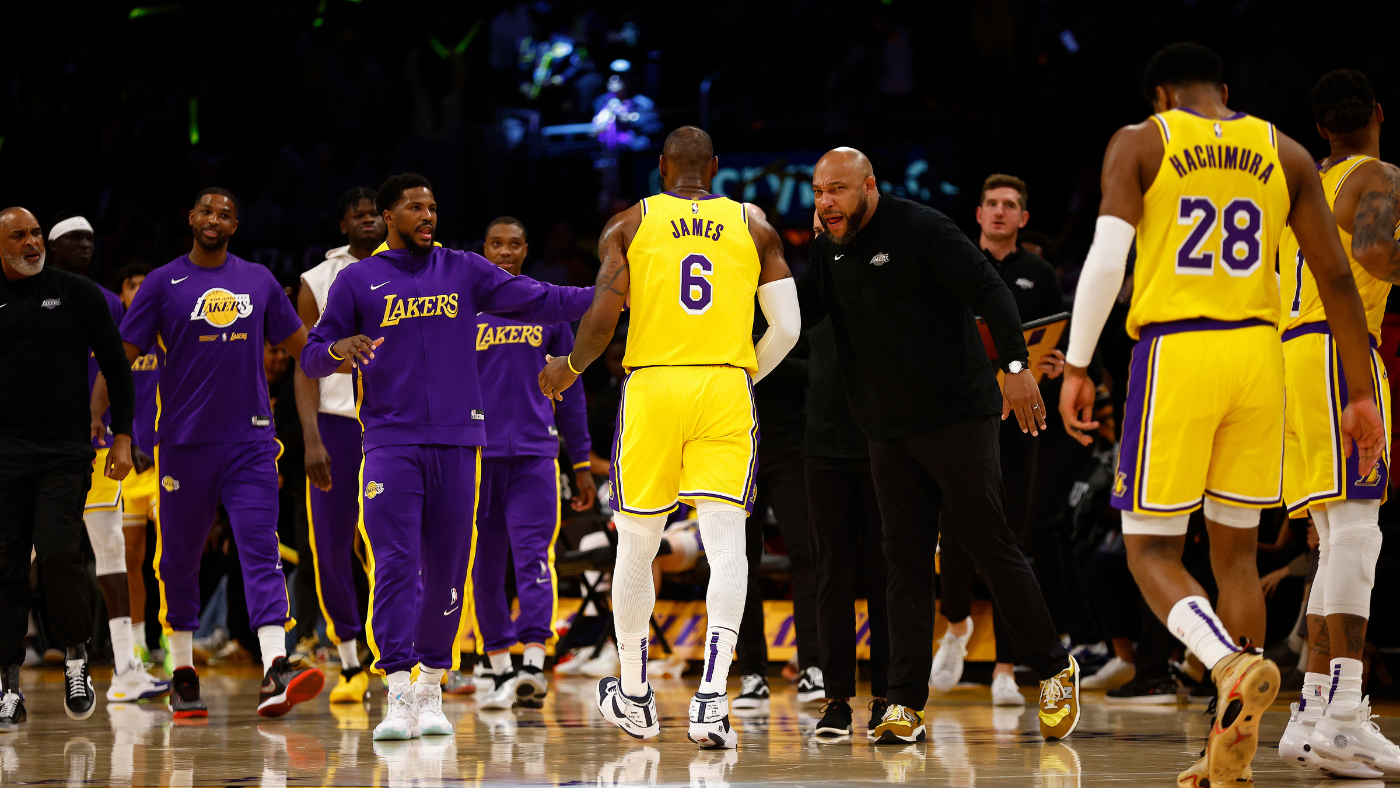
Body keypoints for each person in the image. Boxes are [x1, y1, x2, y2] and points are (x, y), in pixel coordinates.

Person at [1058, 44, 1385, 786]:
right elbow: (1337, 276)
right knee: (1235, 554)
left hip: (1179, 350)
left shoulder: (1145, 138)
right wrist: (1360, 392)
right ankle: (1224, 739)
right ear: (1227, 93)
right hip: (1260, 357)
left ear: (1162, 95)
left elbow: (1107, 262)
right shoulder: (1285, 149)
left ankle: (1229, 663)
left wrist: (1077, 365)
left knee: (1149, 551)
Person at [799, 147, 1081, 745]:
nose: (826, 204)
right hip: (886, 429)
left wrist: (1013, 364)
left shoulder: (922, 228)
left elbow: (988, 289)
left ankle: (1056, 668)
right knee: (902, 561)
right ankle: (903, 702)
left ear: (869, 187)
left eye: (838, 191)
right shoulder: (827, 248)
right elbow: (800, 313)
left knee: (988, 543)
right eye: (819, 191)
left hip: (957, 417)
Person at [301, 173, 592, 742]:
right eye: (414, 207)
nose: (427, 215)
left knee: (449, 569)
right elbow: (311, 356)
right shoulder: (357, 281)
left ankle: (432, 686)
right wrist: (339, 348)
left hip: (462, 442)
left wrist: (612, 291)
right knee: (393, 564)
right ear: (389, 216)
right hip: (389, 442)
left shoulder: (464, 269)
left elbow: (544, 301)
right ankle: (397, 691)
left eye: (432, 206)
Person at [538, 126, 801, 749]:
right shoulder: (755, 225)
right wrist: (739, 371)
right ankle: (712, 699)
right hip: (724, 389)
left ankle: (634, 692)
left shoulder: (628, 224)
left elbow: (602, 318)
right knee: (727, 541)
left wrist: (568, 367)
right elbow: (787, 327)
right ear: (714, 167)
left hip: (654, 387)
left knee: (636, 538)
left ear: (661, 168)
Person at [119, 188, 324, 720]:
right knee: (178, 561)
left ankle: (275, 666)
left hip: (252, 441)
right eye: (207, 211)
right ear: (191, 218)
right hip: (183, 444)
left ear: (236, 225)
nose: (215, 219)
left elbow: (304, 349)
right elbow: (122, 359)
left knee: (261, 549)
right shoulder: (163, 282)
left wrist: (345, 350)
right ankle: (183, 671)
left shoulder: (257, 280)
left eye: (226, 213)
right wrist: (113, 426)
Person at [1275, 69, 1400, 777]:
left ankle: (1314, 712)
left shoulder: (1300, 187)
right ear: (1377, 113)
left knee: (1331, 537)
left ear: (1319, 129)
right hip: (1338, 347)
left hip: (1286, 356)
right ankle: (1347, 715)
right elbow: (1376, 254)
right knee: (1358, 527)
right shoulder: (1378, 173)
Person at [934, 175, 1066, 708]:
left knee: (1015, 539)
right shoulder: (957, 263)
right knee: (957, 530)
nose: (1000, 211)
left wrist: (1055, 364)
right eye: (991, 203)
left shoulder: (1039, 274)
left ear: (1023, 218)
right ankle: (957, 625)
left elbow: (1057, 339)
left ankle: (1007, 670)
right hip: (964, 417)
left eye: (1011, 204)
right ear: (978, 211)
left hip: (1019, 424)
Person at [0, 207, 135, 727]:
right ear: (3, 247)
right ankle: (8, 681)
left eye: (37, 233)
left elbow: (116, 367)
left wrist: (123, 436)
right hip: (4, 456)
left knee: (59, 553)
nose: (32, 242)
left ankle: (76, 656)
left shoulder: (78, 294)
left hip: (64, 450)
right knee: (7, 565)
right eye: (20, 236)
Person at [471, 216, 596, 711]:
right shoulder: (464, 311)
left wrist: (581, 460)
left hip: (534, 456)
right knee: (483, 564)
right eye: (495, 243)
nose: (504, 252)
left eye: (514, 244)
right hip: (476, 458)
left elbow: (573, 391)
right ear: (483, 250)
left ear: (526, 251)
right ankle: (499, 665)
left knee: (533, 559)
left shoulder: (549, 313)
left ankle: (534, 662)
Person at [44, 217, 170, 705]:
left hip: (93, 449)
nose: (86, 247)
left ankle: (126, 666)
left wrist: (121, 432)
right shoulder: (23, 296)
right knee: (23, 557)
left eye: (91, 241)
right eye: (75, 241)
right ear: (51, 247)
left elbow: (118, 371)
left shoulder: (106, 300)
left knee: (113, 551)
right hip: (36, 448)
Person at [293, 187, 385, 705]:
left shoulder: (416, 269)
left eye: (376, 213)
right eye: (359, 214)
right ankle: (350, 659)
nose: (369, 220)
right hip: (336, 423)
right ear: (343, 224)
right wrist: (310, 439)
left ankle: (401, 653)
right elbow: (304, 367)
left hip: (394, 423)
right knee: (330, 545)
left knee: (391, 541)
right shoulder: (315, 281)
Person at [806, 316, 891, 740]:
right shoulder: (812, 289)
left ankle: (889, 698)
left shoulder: (884, 279)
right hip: (823, 448)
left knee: (886, 573)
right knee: (832, 574)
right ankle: (836, 698)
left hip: (885, 444)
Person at [111, 263, 158, 665]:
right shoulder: (112, 341)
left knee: (175, 557)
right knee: (131, 561)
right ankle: (139, 643)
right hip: (127, 465)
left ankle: (178, 637)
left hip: (164, 462)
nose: (140, 289)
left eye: (145, 283)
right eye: (131, 283)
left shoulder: (168, 334)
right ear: (121, 294)